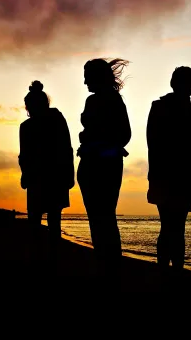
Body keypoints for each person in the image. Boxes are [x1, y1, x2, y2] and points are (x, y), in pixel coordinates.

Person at [146, 66, 191, 276]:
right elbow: (152, 142)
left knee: (173, 227)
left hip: (176, 176)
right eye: (185, 83)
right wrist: (188, 164)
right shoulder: (161, 107)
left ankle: (171, 271)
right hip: (168, 176)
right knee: (173, 227)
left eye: (190, 83)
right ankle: (170, 271)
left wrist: (190, 164)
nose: (188, 87)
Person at [76, 58, 131, 277]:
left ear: (97, 77)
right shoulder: (95, 101)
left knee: (104, 217)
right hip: (93, 165)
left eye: (87, 76)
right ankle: (106, 264)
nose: (84, 82)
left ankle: (110, 267)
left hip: (104, 165)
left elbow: (124, 135)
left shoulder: (112, 101)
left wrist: (93, 137)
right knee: (101, 218)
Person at [19, 81, 74, 269]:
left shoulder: (30, 126)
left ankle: (42, 260)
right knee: (52, 221)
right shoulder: (56, 120)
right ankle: (51, 260)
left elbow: (24, 156)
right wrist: (69, 176)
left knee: (37, 221)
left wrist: (25, 174)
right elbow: (67, 149)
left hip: (45, 177)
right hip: (51, 177)